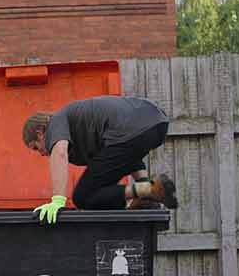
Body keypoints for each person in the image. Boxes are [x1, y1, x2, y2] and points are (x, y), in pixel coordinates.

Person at [22, 95, 179, 223]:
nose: (41, 154)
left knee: (83, 196)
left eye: (36, 147)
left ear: (40, 132)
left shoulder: (56, 121)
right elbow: (129, 155)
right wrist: (142, 181)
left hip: (132, 129)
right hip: (156, 124)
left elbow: (60, 152)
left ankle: (149, 189)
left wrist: (57, 201)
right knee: (102, 195)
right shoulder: (84, 132)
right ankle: (146, 191)